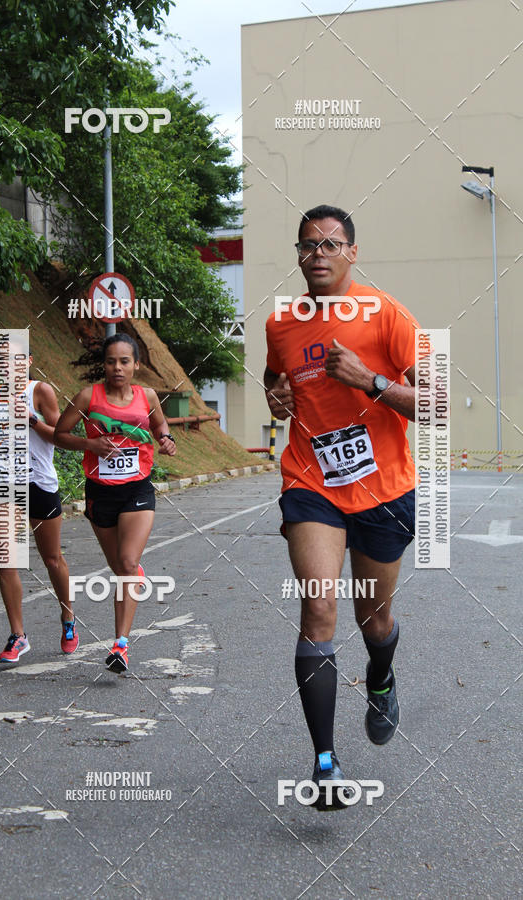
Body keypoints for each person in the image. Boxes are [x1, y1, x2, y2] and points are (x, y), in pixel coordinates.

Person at [264, 204, 418, 811]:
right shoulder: (282, 321)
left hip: (384, 490)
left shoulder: (387, 315)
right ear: (299, 254)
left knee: (372, 622)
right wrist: (276, 395)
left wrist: (371, 382)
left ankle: (381, 676)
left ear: (353, 253)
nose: (318, 253)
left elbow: (439, 403)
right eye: (308, 244)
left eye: (331, 244)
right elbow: (277, 377)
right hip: (311, 482)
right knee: (319, 610)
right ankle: (325, 766)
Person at [54, 333, 176, 673]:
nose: (118, 368)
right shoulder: (87, 396)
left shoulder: (147, 395)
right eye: (111, 361)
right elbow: (59, 435)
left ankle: (121, 645)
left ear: (136, 364)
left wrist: (166, 438)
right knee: (121, 568)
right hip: (100, 494)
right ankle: (133, 575)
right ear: (103, 364)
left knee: (126, 561)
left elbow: (159, 423)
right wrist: (90, 445)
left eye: (125, 361)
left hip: (137, 490)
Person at [0, 350, 78, 665]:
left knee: (52, 558)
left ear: (29, 362)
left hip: (39, 483)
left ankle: (68, 619)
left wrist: (32, 420)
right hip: (4, 484)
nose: (10, 366)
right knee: (8, 560)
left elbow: (61, 437)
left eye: (17, 360)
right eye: (3, 360)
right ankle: (18, 635)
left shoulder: (40, 391)